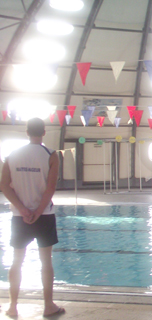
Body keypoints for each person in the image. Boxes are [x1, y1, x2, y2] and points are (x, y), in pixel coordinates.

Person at [0, 118, 64, 317]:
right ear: (44, 132)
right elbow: (51, 188)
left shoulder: (12, 155)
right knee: (46, 262)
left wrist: (23, 209)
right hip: (44, 216)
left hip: (20, 217)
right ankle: (48, 306)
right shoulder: (51, 155)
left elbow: (4, 185)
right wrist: (37, 211)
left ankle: (12, 306)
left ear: (26, 132)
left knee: (17, 262)